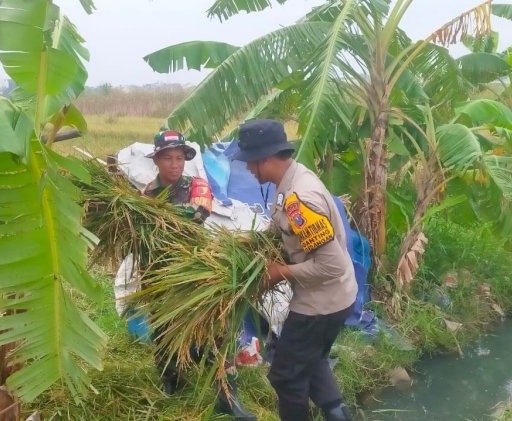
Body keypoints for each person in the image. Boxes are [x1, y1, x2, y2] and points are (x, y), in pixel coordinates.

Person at [234, 119, 358, 421]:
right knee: (311, 360)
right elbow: (282, 231)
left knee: (286, 377)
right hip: (337, 298)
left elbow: (331, 264)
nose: (249, 169)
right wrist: (251, 243)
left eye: (250, 162)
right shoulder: (291, 181)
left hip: (319, 305)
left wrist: (281, 272)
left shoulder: (300, 199)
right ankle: (338, 414)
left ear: (265, 157)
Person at [143, 130, 256, 420]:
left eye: (179, 158)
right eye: (167, 158)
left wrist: (158, 215)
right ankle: (171, 380)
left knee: (217, 328)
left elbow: (199, 213)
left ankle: (227, 394)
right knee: (164, 329)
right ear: (156, 160)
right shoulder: (145, 194)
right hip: (158, 271)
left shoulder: (198, 185)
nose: (174, 164)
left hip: (195, 268)